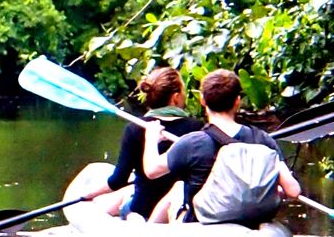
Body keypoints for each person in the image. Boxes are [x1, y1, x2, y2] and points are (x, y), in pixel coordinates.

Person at [141, 68, 302, 225]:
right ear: (237, 101)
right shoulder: (263, 140)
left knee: (178, 187)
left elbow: (151, 171)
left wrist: (151, 138)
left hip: (203, 223)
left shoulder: (191, 143)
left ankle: (149, 231)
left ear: (202, 100)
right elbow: (293, 191)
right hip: (252, 224)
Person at [62, 66, 196, 217]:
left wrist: (87, 195)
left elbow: (117, 180)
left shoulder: (135, 128)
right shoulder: (197, 129)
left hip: (142, 210)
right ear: (176, 97)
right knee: (128, 190)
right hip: (179, 211)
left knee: (123, 194)